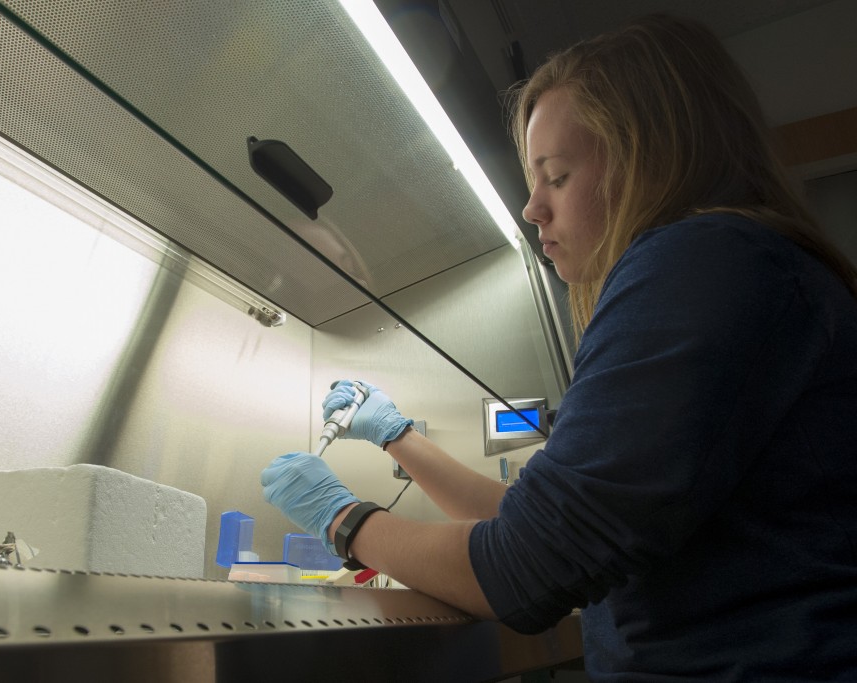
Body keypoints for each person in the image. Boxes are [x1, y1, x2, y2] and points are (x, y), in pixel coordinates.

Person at [261, 13, 857, 681]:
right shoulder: (739, 267)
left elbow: (526, 568)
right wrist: (397, 434)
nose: (531, 207)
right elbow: (541, 524)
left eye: (558, 176)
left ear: (647, 158)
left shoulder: (703, 260)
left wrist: (341, 517)